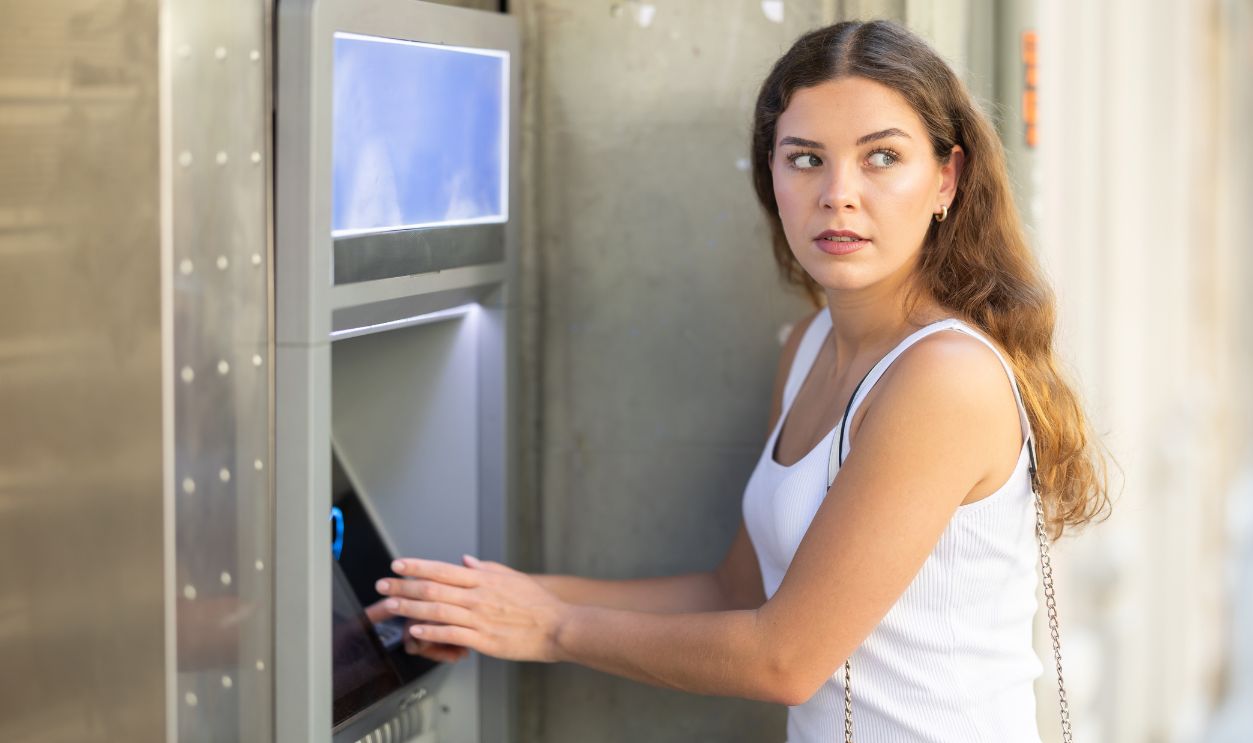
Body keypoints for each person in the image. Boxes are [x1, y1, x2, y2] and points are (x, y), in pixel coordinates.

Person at [373, 19, 1109, 742]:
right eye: (805, 158)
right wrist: (498, 601)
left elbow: (784, 658)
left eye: (881, 157)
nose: (838, 193)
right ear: (772, 176)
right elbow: (736, 591)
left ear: (946, 178)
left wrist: (555, 628)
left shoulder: (943, 378)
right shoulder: (809, 344)